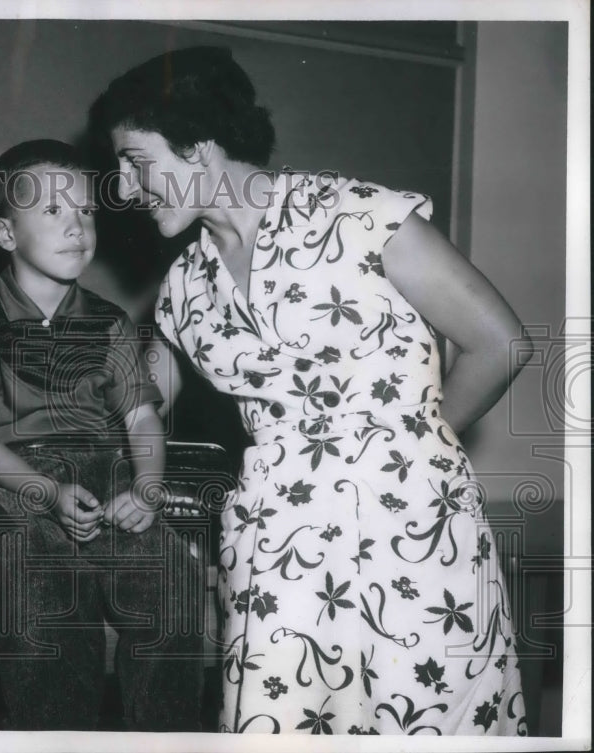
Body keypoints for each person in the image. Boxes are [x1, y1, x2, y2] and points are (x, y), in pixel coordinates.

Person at [89, 46, 531, 735]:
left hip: (411, 524)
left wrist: (416, 449)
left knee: (429, 719)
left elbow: (500, 343)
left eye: (136, 162)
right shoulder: (185, 286)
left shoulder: (358, 215)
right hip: (275, 539)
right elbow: (142, 397)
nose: (124, 186)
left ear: (199, 145)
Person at [0, 139, 205, 731]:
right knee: (45, 587)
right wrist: (46, 493)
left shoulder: (108, 321)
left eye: (86, 211)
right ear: (6, 234)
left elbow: (141, 418)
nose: (77, 226)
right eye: (52, 211)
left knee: (173, 577)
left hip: (104, 469)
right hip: (14, 478)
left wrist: (146, 487)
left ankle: (167, 738)